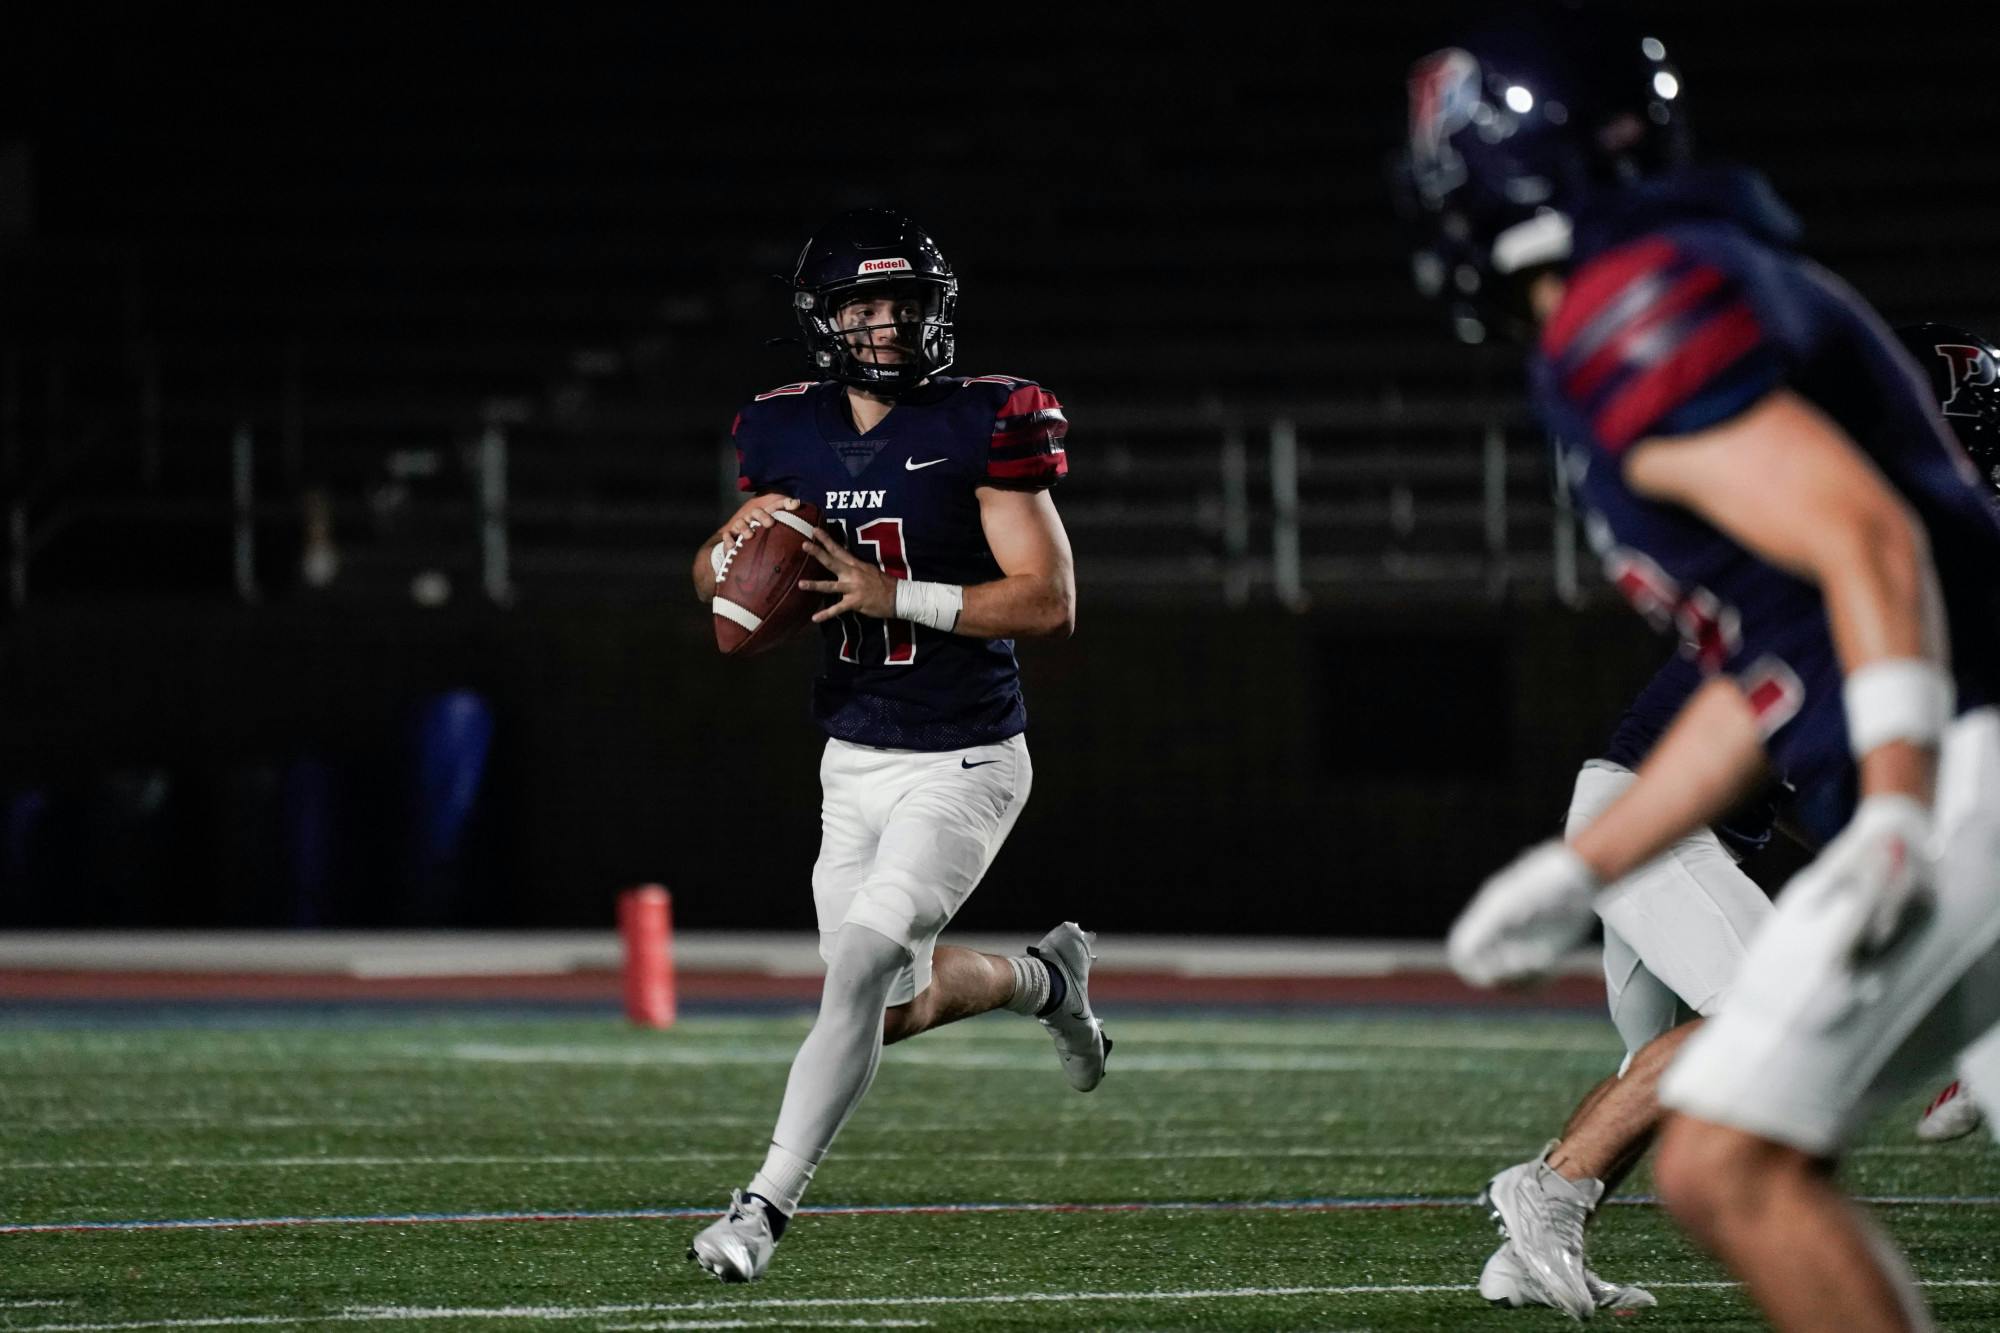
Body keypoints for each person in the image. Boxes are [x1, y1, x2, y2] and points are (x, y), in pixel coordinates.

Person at [1398, 11, 2000, 1330]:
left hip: (1961, 772)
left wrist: (1896, 796)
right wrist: (1585, 867)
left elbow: (1870, 540)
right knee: (1730, 1145)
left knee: (1737, 1126)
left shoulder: (1637, 310)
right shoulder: (1662, 301)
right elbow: (1769, 666)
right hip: (1909, 775)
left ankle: (1542, 1205)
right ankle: (1542, 1211)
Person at [1473, 321, 2000, 1318]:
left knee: (1660, 1071)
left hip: (1663, 820)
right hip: (1651, 820)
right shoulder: (1870, 559)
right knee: (1753, 1022)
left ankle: (1525, 1254)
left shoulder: (1846, 533)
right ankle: (1542, 1191)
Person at [685, 207, 1110, 1284]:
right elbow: (722, 581)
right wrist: (722, 556)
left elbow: (1049, 602)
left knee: (863, 964)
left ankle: (759, 1209)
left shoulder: (987, 416)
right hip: (852, 753)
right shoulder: (779, 427)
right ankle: (1041, 981)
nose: (886, 323)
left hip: (964, 754)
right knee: (885, 1002)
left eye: (904, 302)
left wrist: (893, 595)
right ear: (824, 320)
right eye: (863, 305)